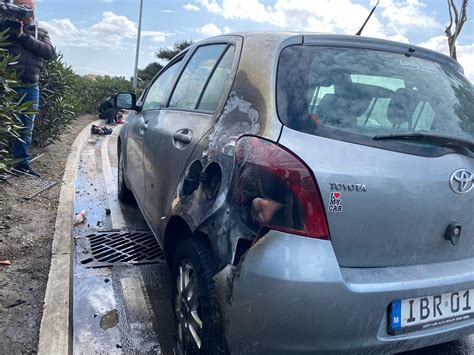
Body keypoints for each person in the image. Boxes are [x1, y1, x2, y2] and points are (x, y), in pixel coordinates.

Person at [9, 0, 54, 177]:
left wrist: (23, 36)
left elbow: (48, 52)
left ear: (34, 11)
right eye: (20, 7)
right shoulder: (5, 25)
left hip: (30, 86)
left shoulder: (40, 31)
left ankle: (21, 164)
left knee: (26, 127)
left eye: (27, 8)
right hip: (7, 85)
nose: (24, 11)